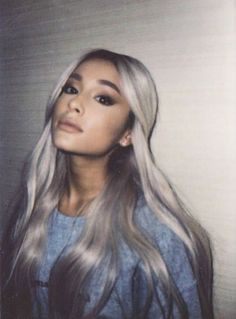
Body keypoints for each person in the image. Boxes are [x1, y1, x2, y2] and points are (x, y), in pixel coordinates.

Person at [1, 49, 214, 319]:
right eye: (71, 88)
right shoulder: (33, 206)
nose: (74, 103)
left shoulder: (153, 234)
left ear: (127, 133)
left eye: (103, 98)